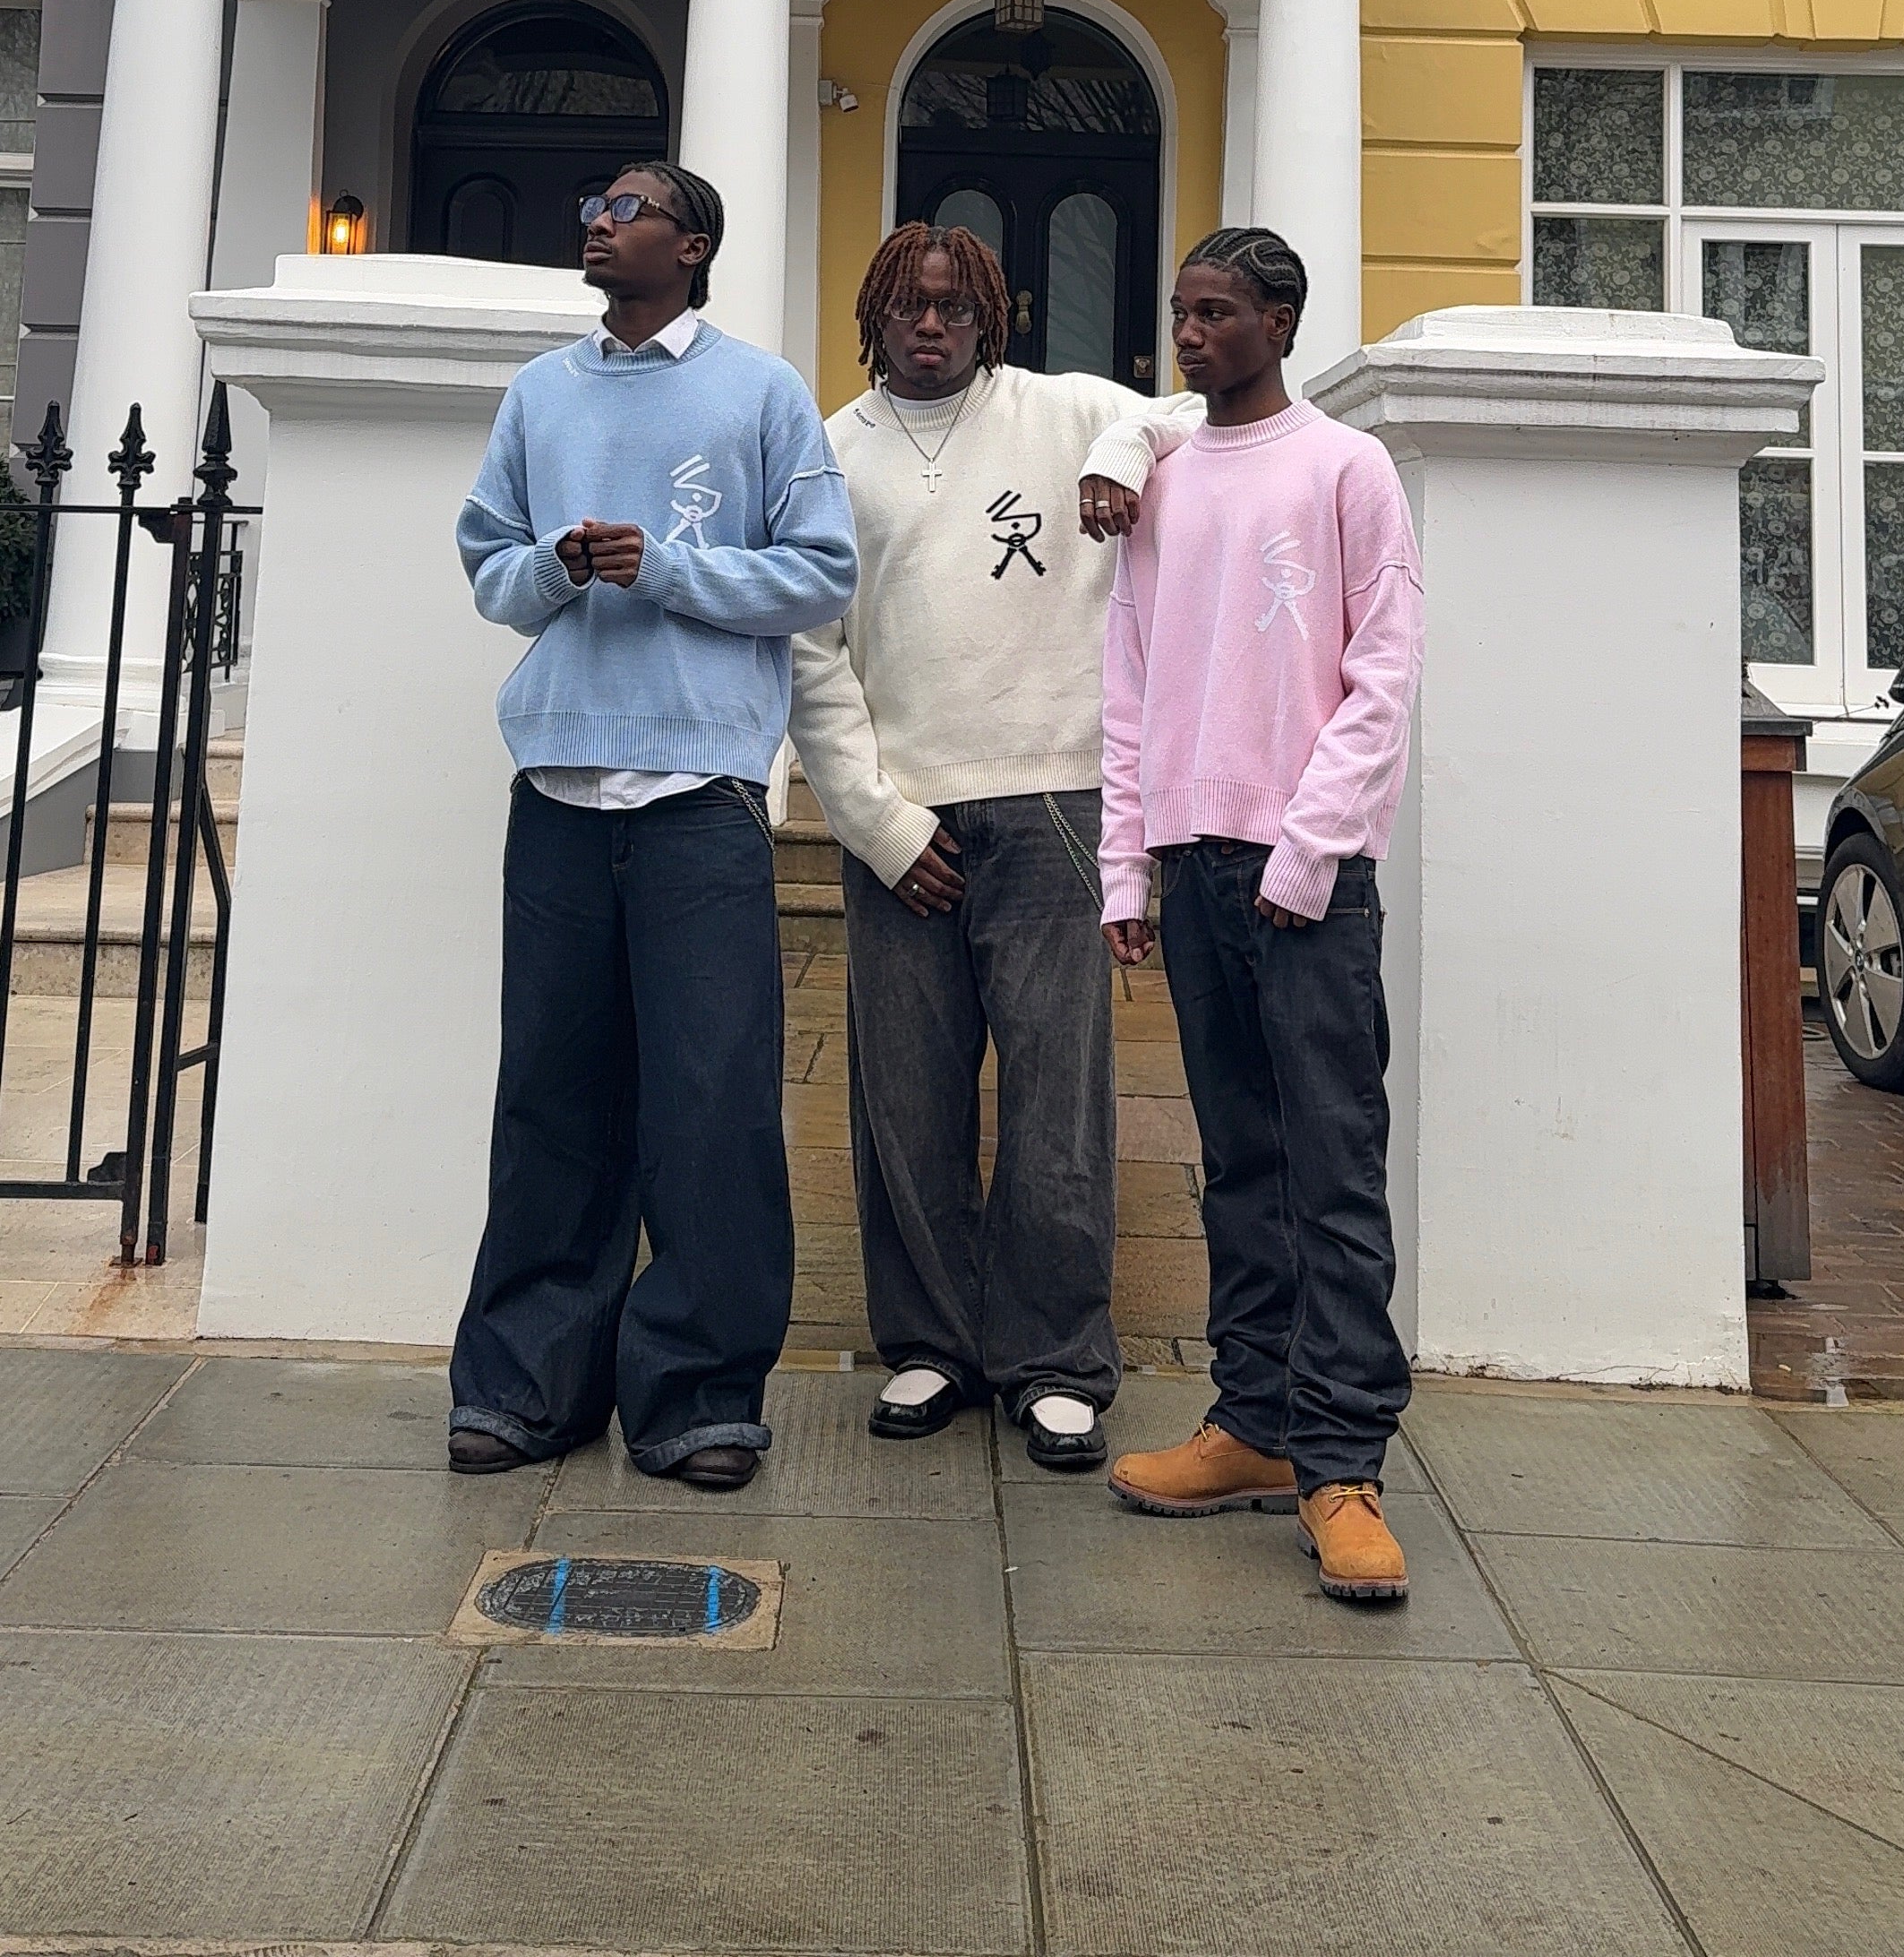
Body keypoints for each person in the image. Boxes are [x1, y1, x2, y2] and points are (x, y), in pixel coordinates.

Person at [446, 159, 857, 1492]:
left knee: (712, 1100)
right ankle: (525, 1386)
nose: (595, 221)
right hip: (558, 785)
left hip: (701, 795)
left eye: (624, 208)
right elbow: (490, 572)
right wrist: (558, 566)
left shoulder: (761, 392)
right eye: (593, 206)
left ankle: (698, 1398)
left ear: (691, 245)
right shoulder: (540, 393)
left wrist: (664, 566)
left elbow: (822, 572)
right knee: (551, 1098)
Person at [788, 221, 1196, 1470]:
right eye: (911, 307)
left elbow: (1196, 416)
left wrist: (1123, 451)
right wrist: (872, 818)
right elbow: (809, 649)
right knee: (904, 1093)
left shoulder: (1068, 410)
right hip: (904, 820)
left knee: (1057, 1095)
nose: (932, 326)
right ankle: (929, 1342)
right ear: (875, 313)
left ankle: (1056, 1358)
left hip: (1056, 801)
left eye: (957, 308)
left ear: (992, 317)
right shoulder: (829, 451)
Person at [1099, 226, 1424, 1602]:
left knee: (1331, 1170)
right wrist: (1127, 862)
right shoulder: (1165, 479)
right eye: (1182, 312)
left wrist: (1310, 851)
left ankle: (1342, 1463)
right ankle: (1253, 1420)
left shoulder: (1347, 468)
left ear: (1280, 323)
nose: (1190, 335)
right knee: (1236, 1160)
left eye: (1217, 312)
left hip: (1309, 884)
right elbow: (1129, 675)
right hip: (1194, 867)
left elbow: (1384, 674)